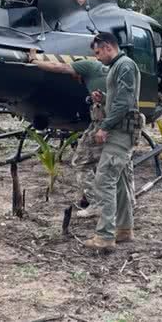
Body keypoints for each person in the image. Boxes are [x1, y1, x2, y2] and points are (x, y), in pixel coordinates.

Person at [27, 50, 107, 217]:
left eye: (75, 75)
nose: (75, 79)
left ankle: (97, 203)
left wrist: (34, 60)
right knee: (104, 165)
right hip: (110, 125)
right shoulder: (101, 75)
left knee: (81, 161)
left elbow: (58, 66)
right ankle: (95, 199)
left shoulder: (86, 66)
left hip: (103, 125)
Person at [83, 32, 143, 251]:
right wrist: (105, 99)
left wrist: (104, 126)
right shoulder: (120, 67)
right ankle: (124, 230)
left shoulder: (124, 66)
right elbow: (119, 100)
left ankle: (105, 236)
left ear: (108, 47)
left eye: (98, 53)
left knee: (104, 179)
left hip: (120, 132)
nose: (97, 58)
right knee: (119, 182)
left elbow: (125, 103)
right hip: (122, 130)